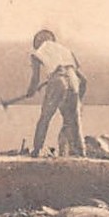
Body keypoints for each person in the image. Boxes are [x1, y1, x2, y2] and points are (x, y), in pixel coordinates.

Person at [27, 29, 86, 157]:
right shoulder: (66, 51)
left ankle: (36, 151)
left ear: (39, 41)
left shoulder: (37, 52)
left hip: (58, 80)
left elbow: (35, 79)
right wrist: (79, 100)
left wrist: (30, 91)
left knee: (45, 118)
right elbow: (83, 80)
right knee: (73, 121)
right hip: (74, 81)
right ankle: (81, 153)